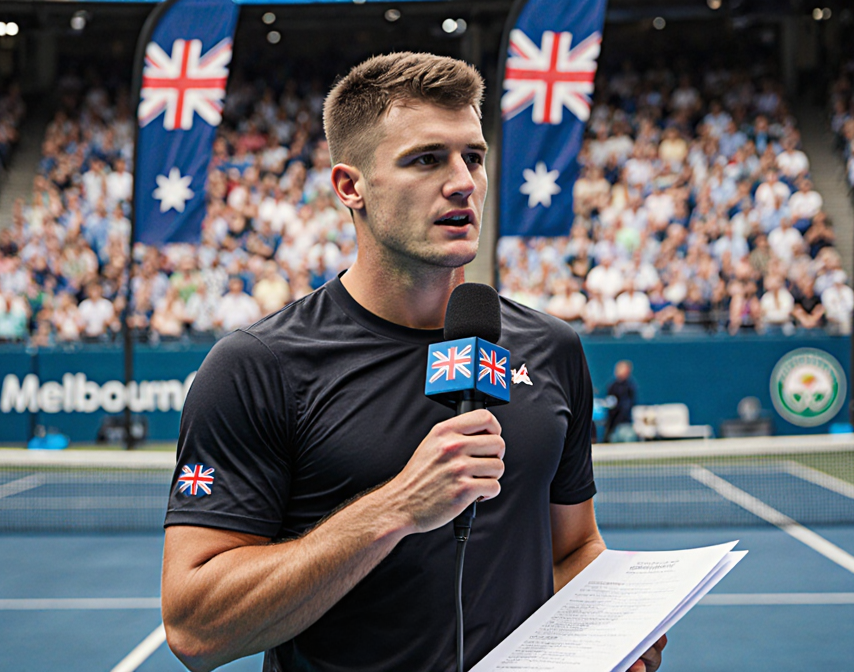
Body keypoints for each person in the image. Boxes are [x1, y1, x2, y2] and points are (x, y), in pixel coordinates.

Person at [161, 53, 665, 672]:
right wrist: (397, 508)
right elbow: (195, 628)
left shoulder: (551, 347)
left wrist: (613, 626)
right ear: (351, 187)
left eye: (473, 158)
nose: (463, 182)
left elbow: (574, 548)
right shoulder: (258, 366)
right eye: (427, 159)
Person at [605, 360, 638, 442]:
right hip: (614, 427)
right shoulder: (612, 386)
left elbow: (627, 406)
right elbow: (611, 407)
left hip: (625, 425)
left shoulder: (630, 387)